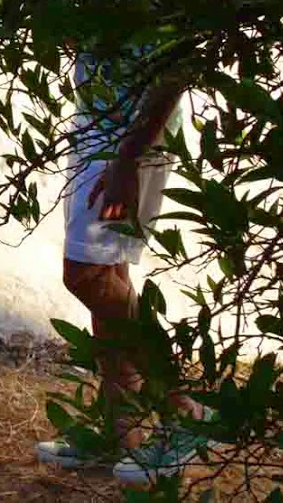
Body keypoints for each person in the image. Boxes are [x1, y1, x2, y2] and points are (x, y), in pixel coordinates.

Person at [36, 54, 206, 485]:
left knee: (87, 276)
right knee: (110, 277)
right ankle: (119, 436)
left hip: (129, 140)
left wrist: (130, 156)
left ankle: (185, 410)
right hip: (97, 130)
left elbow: (179, 65)